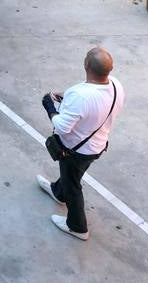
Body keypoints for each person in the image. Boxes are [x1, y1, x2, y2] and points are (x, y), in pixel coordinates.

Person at [39, 47, 125, 241]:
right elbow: (90, 105)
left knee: (73, 184)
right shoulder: (116, 86)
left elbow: (61, 127)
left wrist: (50, 106)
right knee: (71, 176)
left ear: (86, 65)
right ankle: (58, 192)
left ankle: (78, 226)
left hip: (76, 150)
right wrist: (68, 98)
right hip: (98, 144)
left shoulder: (80, 95)